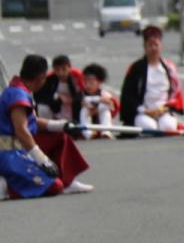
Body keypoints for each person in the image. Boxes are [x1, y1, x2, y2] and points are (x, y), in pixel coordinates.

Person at [1, 55, 93, 199]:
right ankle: (7, 186)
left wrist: (62, 125)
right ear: (41, 76)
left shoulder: (21, 89)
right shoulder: (17, 95)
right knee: (54, 186)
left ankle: (68, 181)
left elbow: (33, 121)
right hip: (9, 153)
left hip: (20, 147)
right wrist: (42, 160)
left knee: (60, 135)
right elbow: (21, 130)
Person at [120, 26, 184, 133]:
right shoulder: (136, 68)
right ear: (145, 47)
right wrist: (146, 111)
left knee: (168, 128)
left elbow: (176, 93)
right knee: (151, 128)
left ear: (161, 46)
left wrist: (165, 109)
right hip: (143, 112)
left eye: (156, 45)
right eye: (150, 45)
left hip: (163, 110)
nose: (153, 48)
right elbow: (128, 95)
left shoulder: (169, 68)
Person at [34, 54, 83, 124]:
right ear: (54, 69)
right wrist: (57, 96)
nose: (60, 73)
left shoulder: (78, 76)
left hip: (75, 107)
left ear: (69, 67)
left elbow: (88, 91)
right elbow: (39, 96)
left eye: (64, 69)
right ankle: (47, 127)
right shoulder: (49, 78)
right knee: (42, 107)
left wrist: (72, 100)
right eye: (57, 70)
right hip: (57, 106)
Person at [78, 64, 119, 139]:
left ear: (99, 83)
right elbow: (84, 101)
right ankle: (88, 133)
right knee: (84, 111)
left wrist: (98, 109)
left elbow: (112, 106)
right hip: (86, 119)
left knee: (105, 110)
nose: (88, 86)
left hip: (99, 120)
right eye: (85, 82)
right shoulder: (81, 94)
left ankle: (106, 131)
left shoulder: (104, 94)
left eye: (91, 83)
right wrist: (98, 100)